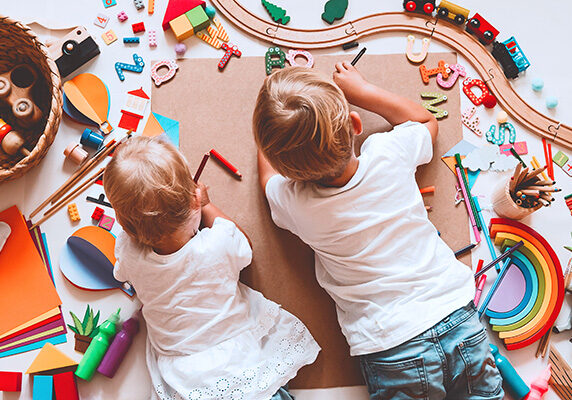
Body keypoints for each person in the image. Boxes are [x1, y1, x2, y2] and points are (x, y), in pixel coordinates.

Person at [253, 64, 503, 399]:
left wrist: (272, 135)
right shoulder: (390, 153)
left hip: (392, 346)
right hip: (457, 317)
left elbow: (267, 179)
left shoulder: (296, 204)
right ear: (356, 125)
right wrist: (361, 91)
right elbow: (426, 122)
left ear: (289, 171)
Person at [103, 136, 320, 400]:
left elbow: (122, 267)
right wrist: (206, 205)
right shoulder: (216, 244)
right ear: (194, 199)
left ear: (125, 226)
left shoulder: (129, 254)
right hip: (239, 360)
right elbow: (245, 247)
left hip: (186, 377)